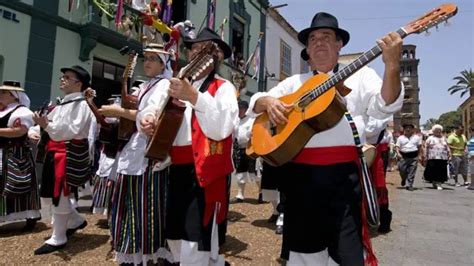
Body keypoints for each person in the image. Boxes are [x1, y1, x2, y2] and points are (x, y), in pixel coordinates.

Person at [248, 12, 404, 265]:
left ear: (339, 44)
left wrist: (393, 65)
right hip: (299, 178)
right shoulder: (294, 84)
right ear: (307, 49)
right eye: (313, 38)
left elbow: (386, 104)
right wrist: (267, 102)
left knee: (345, 253)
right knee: (303, 253)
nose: (319, 42)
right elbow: (255, 103)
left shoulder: (362, 76)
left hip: (343, 180)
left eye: (326, 36)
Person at [139, 28, 238, 265]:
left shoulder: (223, 88)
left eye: (204, 49)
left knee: (196, 235)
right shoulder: (173, 83)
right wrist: (147, 118)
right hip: (175, 166)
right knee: (174, 231)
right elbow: (153, 106)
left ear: (217, 57)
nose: (197, 53)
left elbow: (222, 128)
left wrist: (194, 97)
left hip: (205, 169)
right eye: (194, 48)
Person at [99, 42, 173, 265]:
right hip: (134, 151)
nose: (147, 62)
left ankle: (146, 255)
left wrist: (119, 111)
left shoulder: (163, 85)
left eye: (153, 59)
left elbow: (152, 114)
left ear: (163, 65)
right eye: (146, 58)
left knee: (144, 208)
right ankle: (132, 253)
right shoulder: (147, 86)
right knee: (131, 206)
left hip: (147, 154)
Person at [33, 65, 94, 255]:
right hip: (56, 153)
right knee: (52, 193)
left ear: (79, 83)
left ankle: (59, 237)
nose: (62, 79)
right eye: (63, 76)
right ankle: (75, 220)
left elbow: (70, 131)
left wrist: (47, 126)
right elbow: (50, 126)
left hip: (67, 154)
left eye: (67, 77)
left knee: (60, 193)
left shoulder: (81, 105)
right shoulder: (61, 104)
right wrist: (38, 129)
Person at [0, 81, 41, 231]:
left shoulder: (22, 111)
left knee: (19, 184)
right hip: (3, 152)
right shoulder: (3, 110)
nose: (0, 95)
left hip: (15, 154)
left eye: (3, 92)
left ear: (13, 95)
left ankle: (31, 216)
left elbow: (20, 131)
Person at [365, 116, 393, 233]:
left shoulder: (379, 118)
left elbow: (370, 131)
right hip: (364, 153)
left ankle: (383, 220)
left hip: (377, 154)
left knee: (379, 187)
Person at [230, 100, 260, 204]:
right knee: (240, 173)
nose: (240, 111)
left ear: (246, 109)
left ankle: (261, 193)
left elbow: (254, 133)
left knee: (254, 174)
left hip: (251, 149)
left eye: (242, 109)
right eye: (239, 109)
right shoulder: (236, 120)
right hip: (239, 150)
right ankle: (240, 195)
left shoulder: (252, 120)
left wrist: (247, 135)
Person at [422, 124, 450, 190]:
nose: (438, 132)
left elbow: (447, 147)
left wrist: (449, 154)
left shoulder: (444, 138)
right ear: (433, 131)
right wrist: (425, 155)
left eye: (439, 130)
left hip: (443, 157)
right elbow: (426, 147)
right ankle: (434, 182)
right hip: (433, 157)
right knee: (433, 170)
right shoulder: (430, 138)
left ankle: (439, 183)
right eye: (436, 130)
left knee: (441, 171)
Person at [395, 123, 422, 191]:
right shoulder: (400, 138)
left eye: (410, 128)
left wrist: (419, 156)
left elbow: (419, 147)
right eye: (406, 128)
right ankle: (404, 179)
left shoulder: (417, 137)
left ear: (412, 129)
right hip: (403, 156)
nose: (408, 129)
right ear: (404, 129)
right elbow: (397, 146)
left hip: (413, 156)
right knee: (402, 170)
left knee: (412, 171)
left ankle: (410, 185)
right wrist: (398, 153)